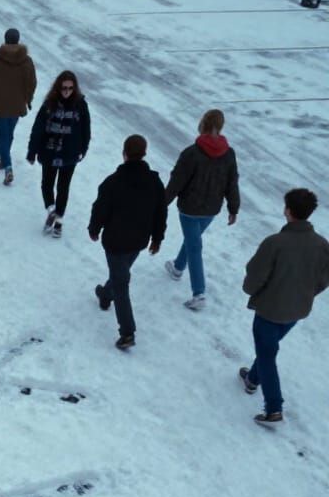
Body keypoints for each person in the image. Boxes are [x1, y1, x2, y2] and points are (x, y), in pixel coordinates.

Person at [239, 188, 329, 424]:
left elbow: (255, 275)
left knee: (268, 353)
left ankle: (274, 408)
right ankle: (252, 379)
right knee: (268, 346)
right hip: (297, 310)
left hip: (270, 309)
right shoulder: (322, 245)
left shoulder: (275, 243)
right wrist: (307, 294)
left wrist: (250, 290)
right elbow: (324, 278)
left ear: (287, 210)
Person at [88, 135, 167, 351]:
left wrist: (94, 228)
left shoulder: (113, 182)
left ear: (124, 153)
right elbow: (161, 212)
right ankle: (105, 295)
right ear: (144, 154)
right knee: (120, 272)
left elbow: (100, 208)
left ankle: (127, 332)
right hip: (139, 240)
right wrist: (157, 238)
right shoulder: (154, 182)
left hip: (115, 241)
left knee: (121, 282)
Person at [164, 108, 241, 311]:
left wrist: (160, 204)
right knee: (193, 240)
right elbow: (232, 183)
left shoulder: (191, 153)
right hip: (211, 209)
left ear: (202, 125)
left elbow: (176, 182)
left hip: (189, 209)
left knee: (194, 245)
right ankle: (178, 267)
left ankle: (199, 293)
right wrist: (234, 208)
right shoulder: (229, 154)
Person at [27, 70, 91, 239]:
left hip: (70, 153)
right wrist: (32, 151)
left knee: (63, 187)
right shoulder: (49, 104)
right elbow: (38, 128)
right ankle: (52, 210)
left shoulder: (81, 105)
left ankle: (58, 223)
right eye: (64, 88)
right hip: (49, 151)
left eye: (70, 88)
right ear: (58, 87)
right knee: (47, 184)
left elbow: (86, 128)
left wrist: (83, 149)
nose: (67, 92)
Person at [0, 28, 36, 188]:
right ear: (18, 40)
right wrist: (27, 98)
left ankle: (8, 166)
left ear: (5, 40)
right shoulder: (27, 62)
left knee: (2, 135)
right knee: (9, 134)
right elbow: (31, 84)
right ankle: (3, 159)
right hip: (17, 104)